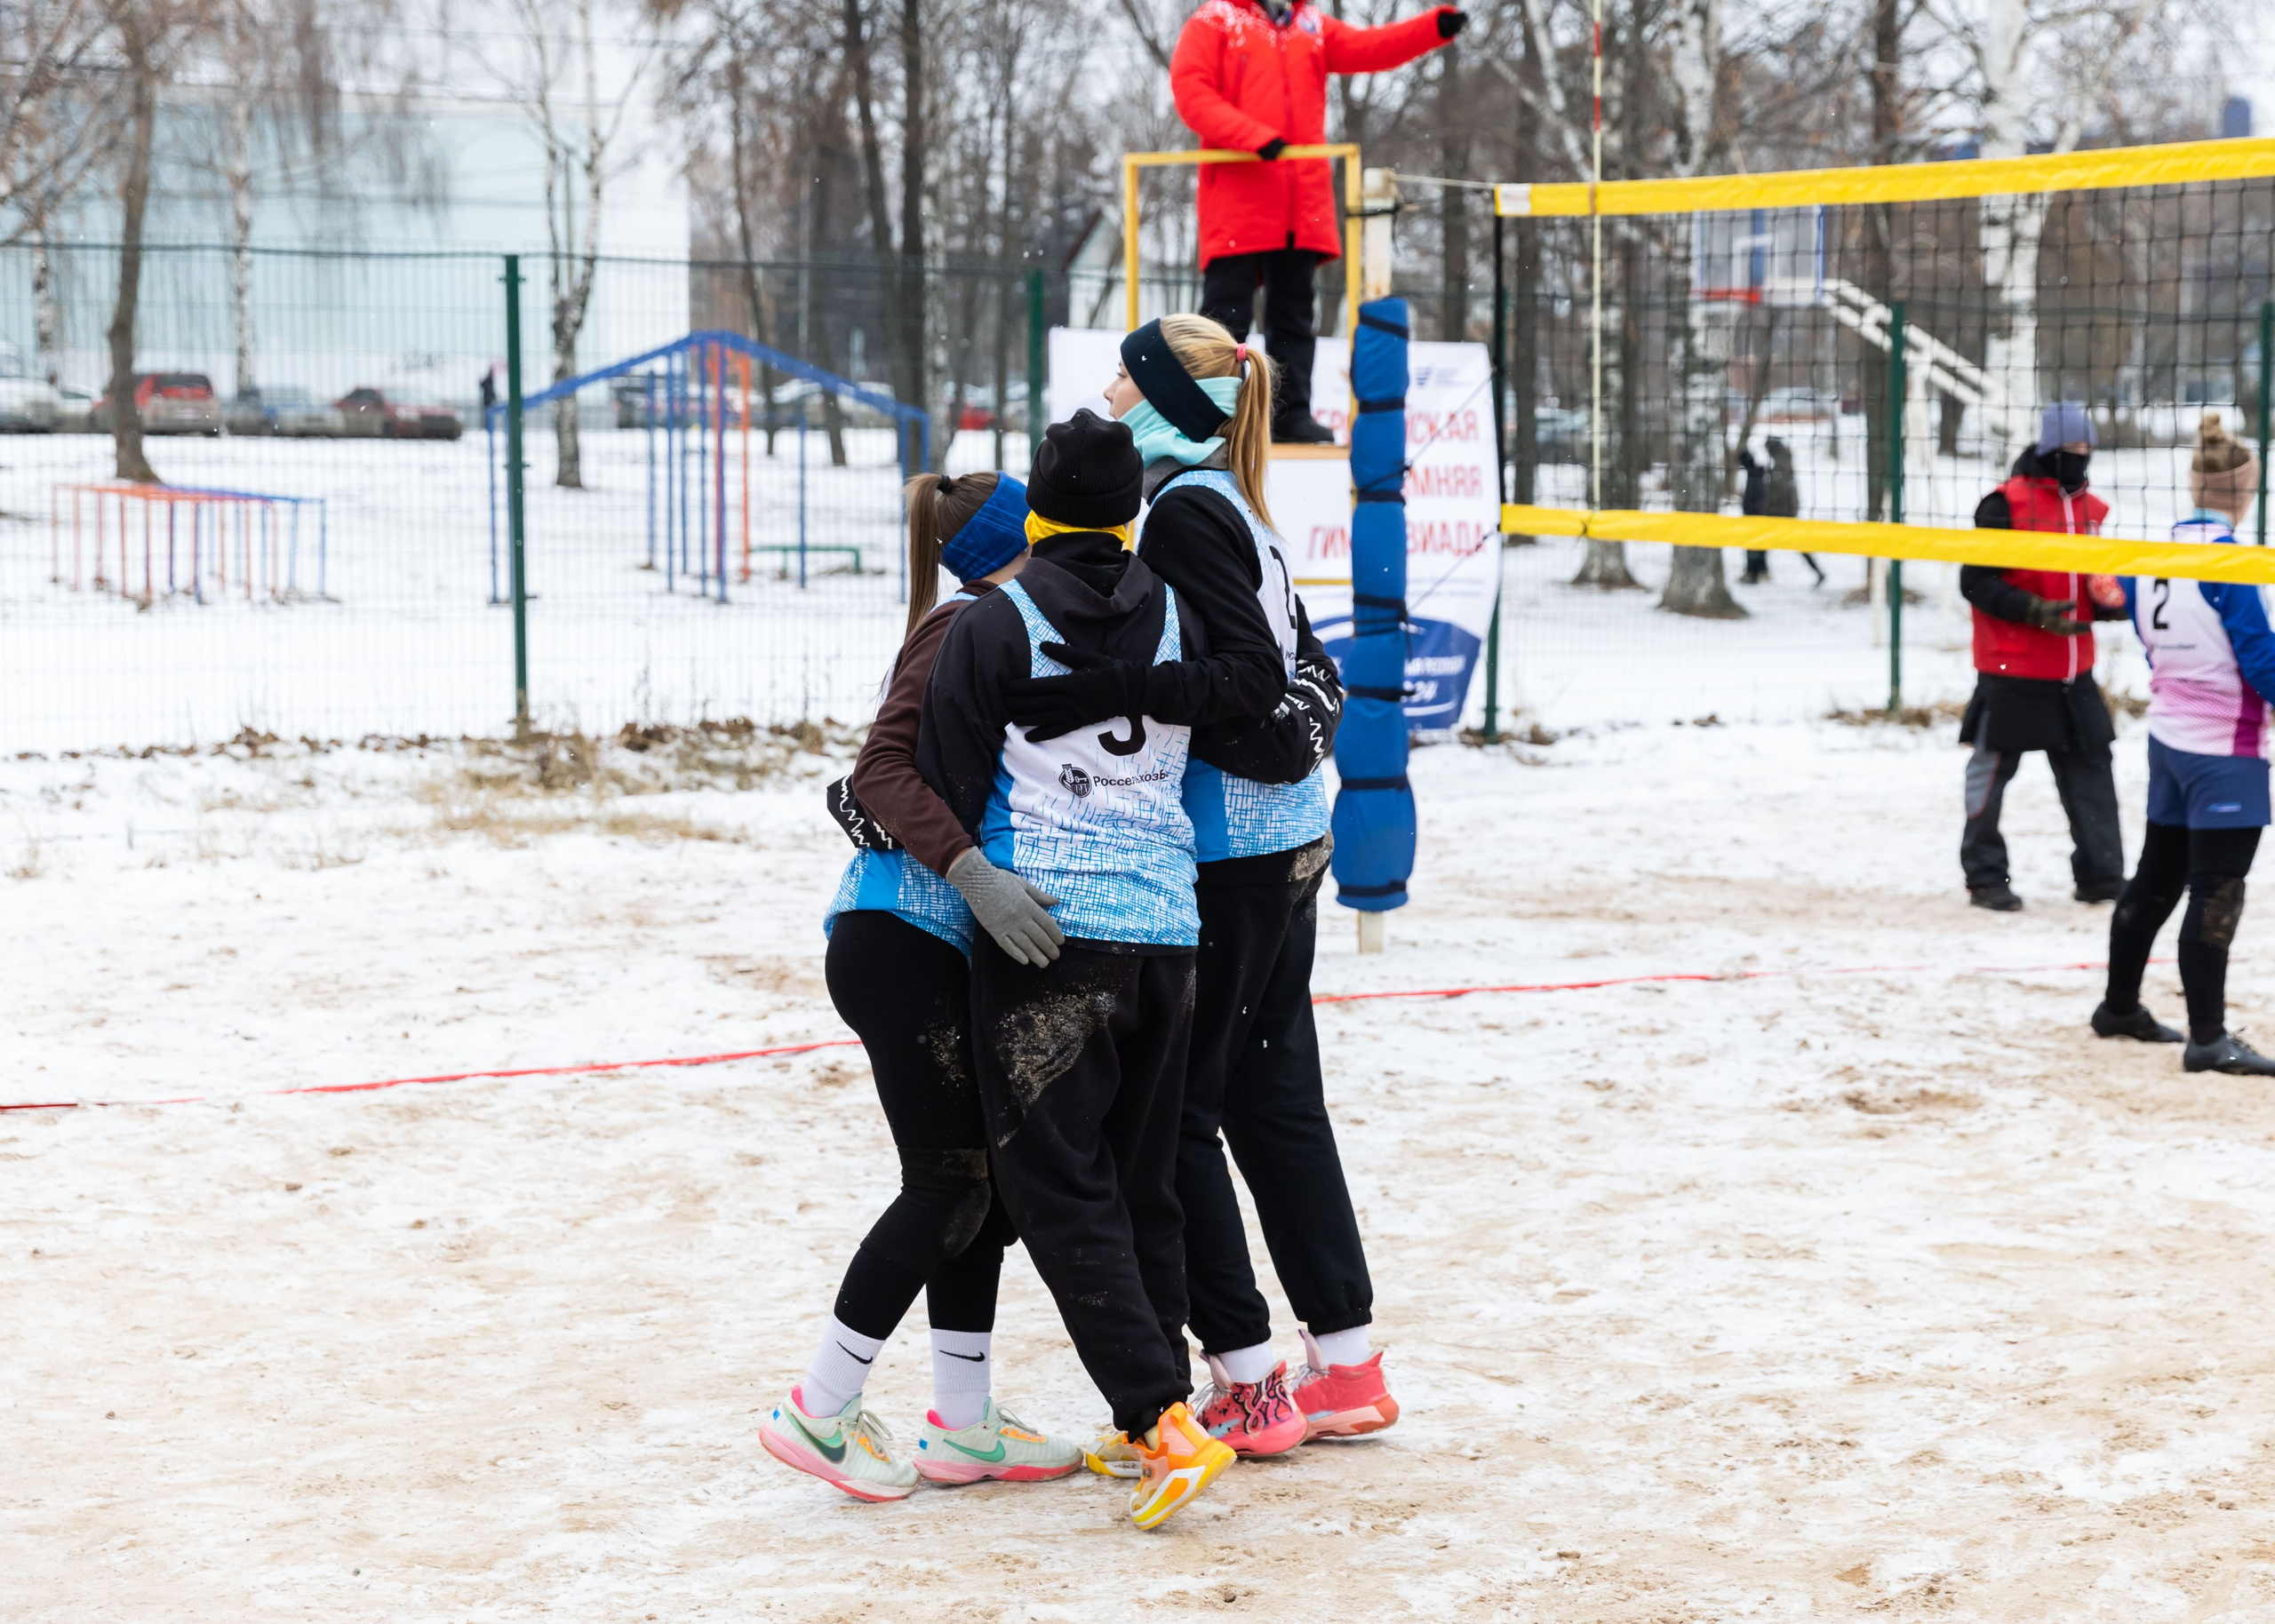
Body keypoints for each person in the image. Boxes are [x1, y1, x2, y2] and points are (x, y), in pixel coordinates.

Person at [1015, 314, 1385, 1462]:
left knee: (1182, 1118)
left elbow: (1258, 689)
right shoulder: (1229, 498)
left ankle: (1252, 1382)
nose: (1109, 390)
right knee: (1278, 1104)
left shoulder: (1184, 508)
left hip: (1231, 855)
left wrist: (1107, 689)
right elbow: (1309, 673)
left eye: (1126, 375)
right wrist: (1299, 729)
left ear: (1169, 395)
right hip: (1285, 846)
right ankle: (1350, 1364)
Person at [914, 410, 1237, 1531]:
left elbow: (948, 780)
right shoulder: (1178, 609)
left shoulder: (994, 621)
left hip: (1050, 935)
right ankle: (1161, 1409)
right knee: (1144, 1179)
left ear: (1035, 511)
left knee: (1055, 1184)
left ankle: (1158, 1420)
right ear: (1131, 508)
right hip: (1170, 930)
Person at [759, 470, 1087, 1501]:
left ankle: (965, 1420)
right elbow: (876, 775)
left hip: (918, 941)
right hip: (896, 939)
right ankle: (821, 1407)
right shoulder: (968, 624)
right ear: (1021, 541)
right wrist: (975, 876)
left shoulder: (988, 621)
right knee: (948, 1181)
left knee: (977, 1182)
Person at [1170, 0, 1465, 442]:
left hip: (1299, 203)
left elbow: (1372, 47)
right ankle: (1210, 419)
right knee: (1223, 319)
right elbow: (1192, 94)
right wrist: (1253, 137)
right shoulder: (1215, 20)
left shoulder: (1310, 24)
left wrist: (1433, 28)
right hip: (1238, 199)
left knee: (1293, 317)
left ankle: (1290, 417)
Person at [2095, 414, 2275, 1075]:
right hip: (2224, 750)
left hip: (2169, 738)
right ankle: (2208, 1038)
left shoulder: (2151, 558)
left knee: (2159, 877)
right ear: (2246, 491)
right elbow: (2260, 661)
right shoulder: (2232, 562)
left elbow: (2150, 637)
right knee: (2216, 890)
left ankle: (2118, 1007)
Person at [1958, 402, 2128, 912]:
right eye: (2072, 451)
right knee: (1991, 773)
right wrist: (2033, 610)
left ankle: (2102, 876)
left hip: (2074, 667)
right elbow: (1975, 581)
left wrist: (2113, 601)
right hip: (2011, 666)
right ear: (2048, 450)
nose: (2081, 459)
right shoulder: (2003, 504)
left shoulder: (2092, 510)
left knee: (2092, 768)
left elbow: (2092, 588)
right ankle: (1986, 878)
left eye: (2087, 451)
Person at [1737, 437, 1820, 585]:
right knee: (1762, 543)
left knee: (1787, 543)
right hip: (1779, 512)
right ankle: (1757, 573)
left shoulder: (1781, 464)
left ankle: (1756, 573)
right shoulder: (1781, 462)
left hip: (1782, 514)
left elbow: (1778, 490)